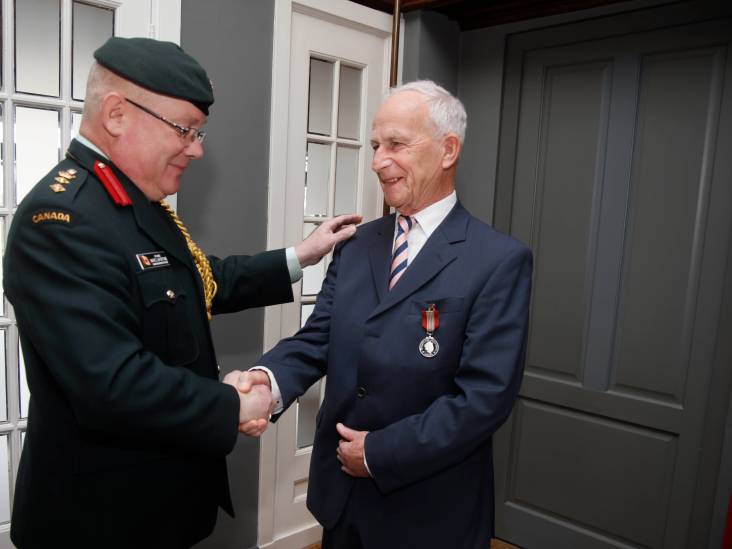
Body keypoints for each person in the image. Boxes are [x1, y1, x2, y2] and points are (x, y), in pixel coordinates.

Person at [3, 37, 359, 549]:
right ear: (118, 114)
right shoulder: (61, 221)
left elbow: (190, 280)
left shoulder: (131, 202)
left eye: (199, 132)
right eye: (185, 130)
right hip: (100, 517)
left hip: (160, 502)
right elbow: (113, 383)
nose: (196, 148)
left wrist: (299, 256)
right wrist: (233, 405)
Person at [239, 80, 533, 548]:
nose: (378, 161)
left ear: (448, 149)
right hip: (341, 500)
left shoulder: (498, 260)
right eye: (376, 145)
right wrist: (266, 381)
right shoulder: (357, 245)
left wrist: (378, 453)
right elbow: (319, 339)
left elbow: (484, 397)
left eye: (396, 144)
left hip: (429, 511)